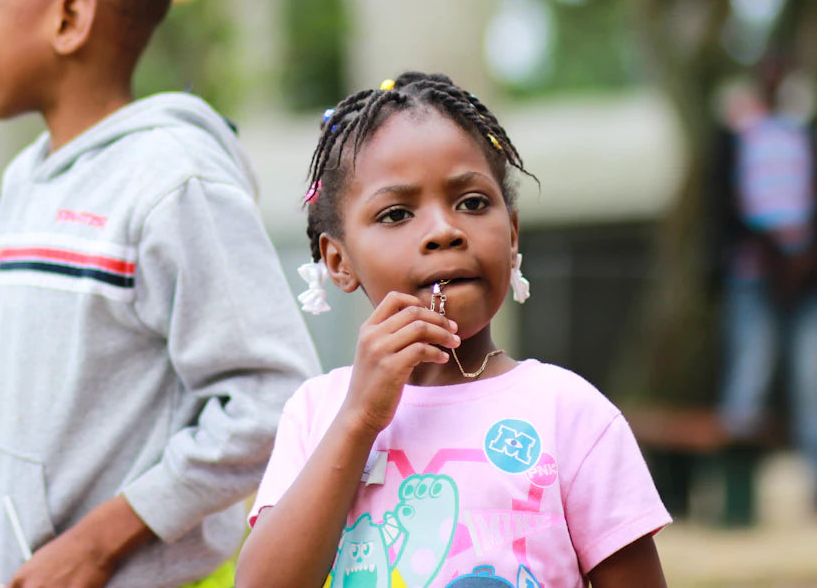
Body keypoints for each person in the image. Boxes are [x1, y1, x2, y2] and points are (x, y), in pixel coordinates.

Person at [0, 0, 321, 588]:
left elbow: (273, 398)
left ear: (71, 18)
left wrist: (100, 541)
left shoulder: (176, 180)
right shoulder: (26, 179)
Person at [236, 72, 671, 588]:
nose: (444, 231)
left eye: (472, 203)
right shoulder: (317, 414)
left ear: (511, 234)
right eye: (397, 214)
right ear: (339, 260)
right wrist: (358, 418)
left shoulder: (572, 416)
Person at [708, 57, 817, 508]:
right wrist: (772, 252)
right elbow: (727, 201)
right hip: (753, 275)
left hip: (806, 278)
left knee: (811, 379)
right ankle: (736, 497)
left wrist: (801, 259)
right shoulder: (738, 133)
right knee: (748, 376)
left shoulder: (801, 131)